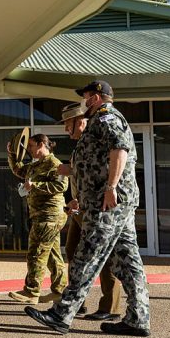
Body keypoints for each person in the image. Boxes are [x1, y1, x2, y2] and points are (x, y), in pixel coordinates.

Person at [25, 80, 151, 336]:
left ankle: (62, 315)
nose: (83, 101)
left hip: (107, 204)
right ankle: (138, 318)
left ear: (94, 98)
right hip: (110, 203)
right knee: (127, 262)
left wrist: (111, 187)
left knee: (86, 256)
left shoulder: (106, 120)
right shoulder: (101, 121)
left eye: (85, 97)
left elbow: (120, 150)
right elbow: (97, 160)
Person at [57, 102, 122, 320]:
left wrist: (71, 170)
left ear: (82, 122)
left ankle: (109, 308)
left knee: (105, 256)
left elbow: (102, 170)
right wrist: (74, 199)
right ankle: (76, 303)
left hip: (98, 208)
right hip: (80, 208)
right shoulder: (81, 145)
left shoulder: (98, 141)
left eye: (69, 124)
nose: (67, 130)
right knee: (73, 252)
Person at [6, 134, 68, 305]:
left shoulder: (54, 164)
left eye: (32, 146)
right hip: (42, 215)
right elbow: (19, 170)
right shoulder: (35, 164)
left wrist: (36, 185)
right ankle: (60, 292)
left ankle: (32, 291)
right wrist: (12, 155)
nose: (30, 150)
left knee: (37, 252)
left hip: (49, 216)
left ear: (42, 144)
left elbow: (62, 185)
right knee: (52, 256)